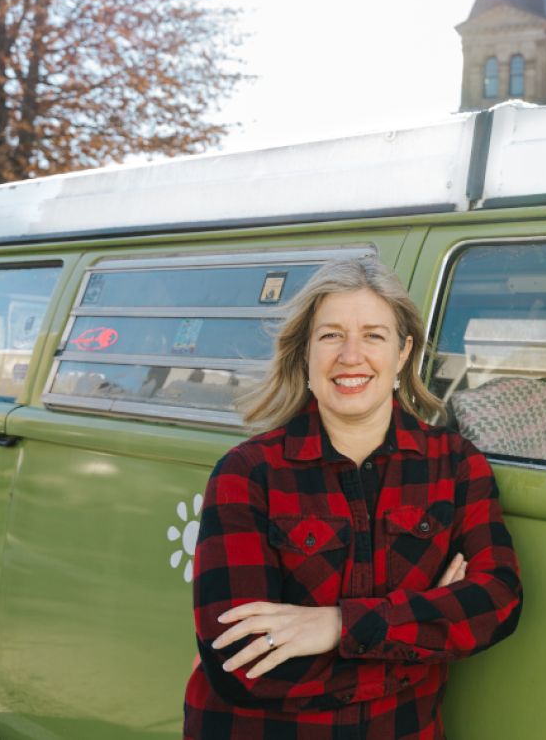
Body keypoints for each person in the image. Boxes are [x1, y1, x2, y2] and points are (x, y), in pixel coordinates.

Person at [184, 257, 522, 739]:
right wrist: (425, 637)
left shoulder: (454, 465)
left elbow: (498, 602)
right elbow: (241, 667)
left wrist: (338, 626)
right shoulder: (247, 473)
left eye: (373, 335)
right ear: (304, 352)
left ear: (404, 352)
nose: (350, 355)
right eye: (331, 335)